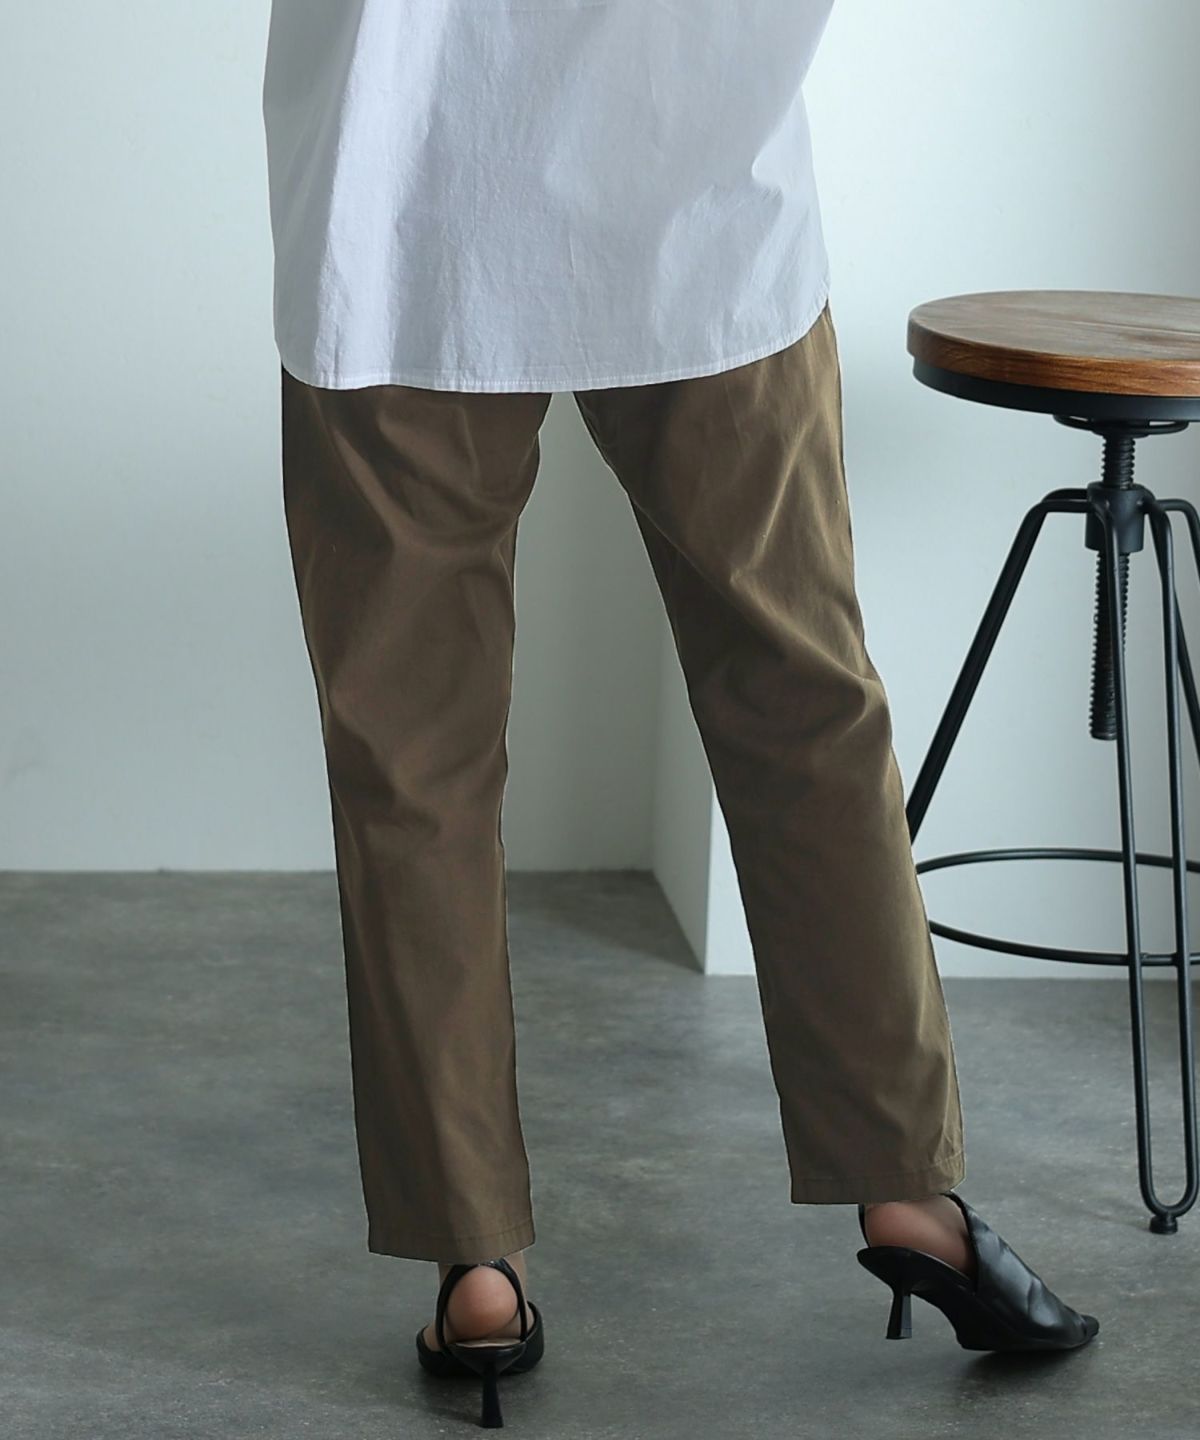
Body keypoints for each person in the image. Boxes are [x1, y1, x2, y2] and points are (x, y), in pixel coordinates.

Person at [261, 0, 1098, 1425]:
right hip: (697, 169)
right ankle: (908, 1191)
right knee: (805, 710)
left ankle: (475, 1260)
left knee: (415, 764)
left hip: (398, 191)